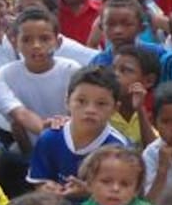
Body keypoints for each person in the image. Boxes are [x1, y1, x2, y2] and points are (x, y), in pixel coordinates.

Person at [27, 66, 128, 198]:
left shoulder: (118, 148)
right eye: (81, 101)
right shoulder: (49, 138)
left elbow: (124, 195)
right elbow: (39, 181)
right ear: (67, 101)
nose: (90, 110)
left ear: (115, 108)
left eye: (101, 104)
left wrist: (89, 193)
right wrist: (46, 188)